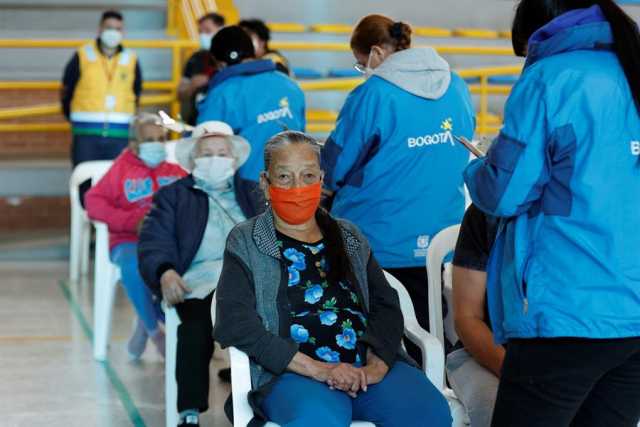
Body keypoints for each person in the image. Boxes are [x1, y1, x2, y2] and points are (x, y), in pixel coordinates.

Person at [464, 1, 640, 426]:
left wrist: (476, 169)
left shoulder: (551, 77)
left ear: (538, 30)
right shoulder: (631, 69)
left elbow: (503, 195)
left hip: (569, 305)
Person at [213, 131, 452, 427]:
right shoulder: (247, 240)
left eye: (308, 175)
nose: (298, 187)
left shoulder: (348, 235)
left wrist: (376, 366)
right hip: (293, 373)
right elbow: (235, 323)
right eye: (284, 177)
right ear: (265, 182)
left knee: (429, 413)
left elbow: (386, 305)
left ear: (321, 179)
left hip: (364, 368)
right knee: (317, 420)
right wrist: (318, 369)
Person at [321, 14, 475, 362]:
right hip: (438, 231)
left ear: (376, 52)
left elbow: (337, 162)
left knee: (376, 336)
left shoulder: (373, 94)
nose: (363, 70)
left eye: (361, 63)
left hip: (379, 234)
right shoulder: (457, 86)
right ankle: (433, 386)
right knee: (427, 327)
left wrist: (327, 186)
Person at [138, 121, 250, 427]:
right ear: (193, 159)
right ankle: (189, 412)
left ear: (234, 159)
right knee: (194, 329)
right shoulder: (173, 196)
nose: (215, 160)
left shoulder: (253, 193)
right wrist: (165, 271)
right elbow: (153, 240)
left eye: (222, 153)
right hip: (199, 283)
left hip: (250, 281)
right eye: (207, 153)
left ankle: (262, 403)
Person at [85, 113, 186, 359]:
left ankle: (145, 320)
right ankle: (154, 331)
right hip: (129, 241)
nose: (157, 145)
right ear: (134, 144)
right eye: (149, 140)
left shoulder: (175, 172)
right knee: (133, 267)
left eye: (161, 139)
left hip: (168, 242)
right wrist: (130, 221)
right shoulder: (120, 170)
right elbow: (93, 201)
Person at [197, 26, 305, 217]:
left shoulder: (222, 93)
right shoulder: (289, 84)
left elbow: (202, 144)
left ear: (220, 63)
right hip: (297, 181)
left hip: (250, 186)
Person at [61, 10, 142, 170]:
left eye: (117, 29)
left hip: (119, 135)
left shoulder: (131, 59)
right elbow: (66, 90)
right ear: (100, 29)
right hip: (86, 134)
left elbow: (136, 92)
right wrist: (72, 116)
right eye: (109, 28)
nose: (113, 33)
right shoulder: (82, 55)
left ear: (123, 32)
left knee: (116, 181)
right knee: (84, 178)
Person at [447, 205, 499, 427]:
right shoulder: (486, 214)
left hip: (568, 359)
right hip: (479, 354)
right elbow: (467, 319)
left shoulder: (590, 212)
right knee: (501, 407)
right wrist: (518, 375)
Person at [178, 13, 225, 126]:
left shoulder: (230, 58)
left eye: (208, 31)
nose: (203, 36)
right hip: (196, 123)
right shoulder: (195, 59)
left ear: (221, 30)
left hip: (223, 122)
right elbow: (180, 94)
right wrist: (192, 86)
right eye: (200, 32)